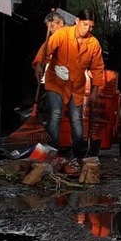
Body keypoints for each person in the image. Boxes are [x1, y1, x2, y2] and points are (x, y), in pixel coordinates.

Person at [32, 9, 105, 159]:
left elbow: (97, 69)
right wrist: (39, 65)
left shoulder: (94, 44)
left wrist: (95, 90)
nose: (88, 29)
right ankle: (52, 153)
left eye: (91, 27)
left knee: (76, 119)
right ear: (77, 21)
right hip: (56, 82)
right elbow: (46, 50)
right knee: (55, 114)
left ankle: (78, 155)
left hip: (76, 86)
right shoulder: (62, 34)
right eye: (85, 25)